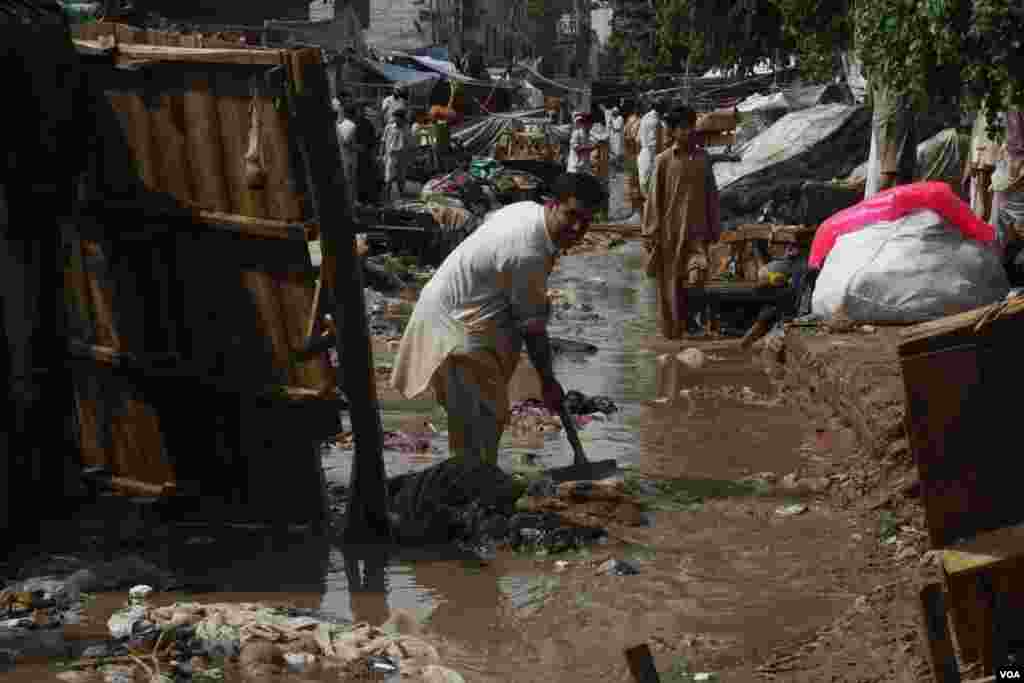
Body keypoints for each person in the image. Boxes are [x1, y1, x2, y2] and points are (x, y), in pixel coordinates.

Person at [390, 173, 608, 467]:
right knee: (479, 428)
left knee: (483, 424)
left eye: (587, 220)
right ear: (552, 204)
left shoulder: (527, 212)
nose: (578, 227)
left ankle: (475, 491)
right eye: (572, 215)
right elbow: (532, 329)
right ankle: (471, 498)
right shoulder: (526, 251)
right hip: (457, 329)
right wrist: (547, 382)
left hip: (465, 317)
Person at [642, 106, 721, 340]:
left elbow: (712, 194)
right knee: (670, 284)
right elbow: (654, 198)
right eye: (683, 128)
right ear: (674, 131)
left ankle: (691, 322)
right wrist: (650, 231)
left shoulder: (703, 158)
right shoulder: (663, 160)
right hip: (669, 231)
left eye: (691, 127)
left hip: (697, 232)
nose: (688, 132)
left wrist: (714, 224)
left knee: (697, 276)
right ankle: (674, 331)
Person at [382, 108, 413, 201]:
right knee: (389, 178)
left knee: (401, 177)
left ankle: (401, 196)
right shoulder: (389, 127)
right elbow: (383, 141)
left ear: (402, 118)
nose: (395, 119)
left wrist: (409, 156)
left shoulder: (407, 128)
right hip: (391, 156)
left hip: (402, 156)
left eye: (397, 118)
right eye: (394, 117)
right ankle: (386, 197)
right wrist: (381, 154)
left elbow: (409, 143)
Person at [638, 99, 665, 198]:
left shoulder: (645, 117)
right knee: (651, 184)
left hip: (644, 153)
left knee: (645, 182)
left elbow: (638, 139)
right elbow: (655, 143)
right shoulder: (656, 121)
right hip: (651, 154)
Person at [353, 105, 379, 205]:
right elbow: (373, 141)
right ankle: (367, 199)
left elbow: (373, 140)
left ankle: (363, 199)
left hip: (361, 154)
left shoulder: (357, 123)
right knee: (365, 177)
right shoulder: (367, 123)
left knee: (362, 177)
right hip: (364, 154)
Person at [337, 103, 359, 208]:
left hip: (343, 157)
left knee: (347, 181)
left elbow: (347, 143)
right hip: (347, 158)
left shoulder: (345, 125)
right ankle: (350, 202)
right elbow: (348, 144)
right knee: (349, 181)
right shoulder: (351, 125)